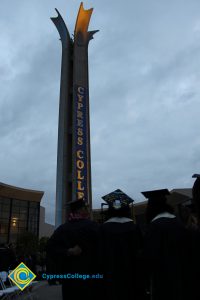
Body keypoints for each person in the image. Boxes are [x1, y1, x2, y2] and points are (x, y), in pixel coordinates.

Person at [142, 188, 197, 300]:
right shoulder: (179, 224)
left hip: (163, 282)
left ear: (151, 207)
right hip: (184, 279)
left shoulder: (154, 227)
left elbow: (150, 258)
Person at [46, 198, 99, 300]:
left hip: (70, 279)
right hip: (91, 278)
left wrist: (68, 251)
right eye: (85, 207)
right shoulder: (94, 227)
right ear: (80, 210)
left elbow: (50, 247)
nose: (87, 210)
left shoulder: (63, 229)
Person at [98, 199, 144, 300]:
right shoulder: (134, 228)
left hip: (110, 276)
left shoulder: (103, 229)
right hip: (132, 276)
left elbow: (99, 255)